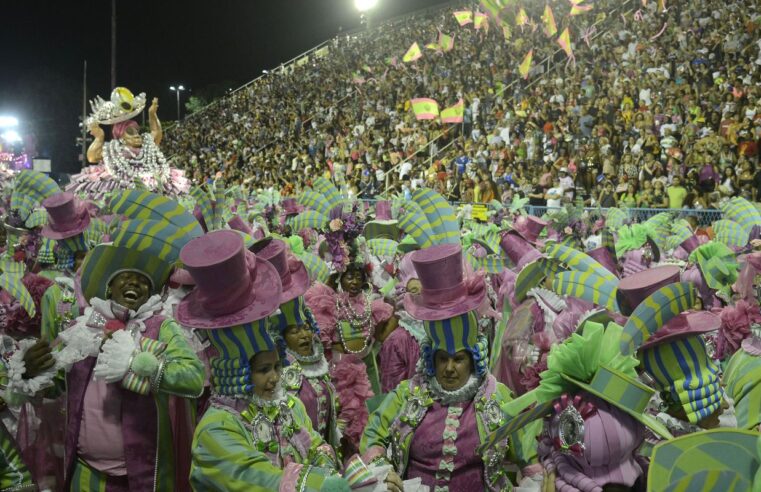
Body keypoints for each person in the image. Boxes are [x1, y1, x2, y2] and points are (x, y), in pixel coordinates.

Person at [37, 217, 205, 491]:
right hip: (85, 472)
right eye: (125, 277)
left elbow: (194, 379)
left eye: (143, 281)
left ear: (150, 293)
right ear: (109, 288)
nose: (134, 284)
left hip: (142, 473)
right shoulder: (85, 325)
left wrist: (143, 364)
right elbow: (56, 385)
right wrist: (33, 371)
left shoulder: (160, 327)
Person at [177, 231, 350, 491]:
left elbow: (317, 444)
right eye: (263, 370)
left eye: (277, 367)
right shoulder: (216, 429)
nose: (275, 378)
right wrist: (317, 485)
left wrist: (325, 466)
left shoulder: (288, 405)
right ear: (237, 372)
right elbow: (257, 477)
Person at [361, 244, 541, 492]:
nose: (449, 368)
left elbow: (528, 457)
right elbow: (373, 435)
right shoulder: (408, 394)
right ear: (431, 358)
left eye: (458, 359)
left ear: (473, 358)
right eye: (442, 358)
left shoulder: (497, 397)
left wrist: (537, 479)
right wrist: (382, 471)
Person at [258, 239, 341, 450]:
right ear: (281, 337)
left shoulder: (317, 362)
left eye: (305, 327)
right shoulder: (276, 377)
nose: (305, 335)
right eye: (295, 331)